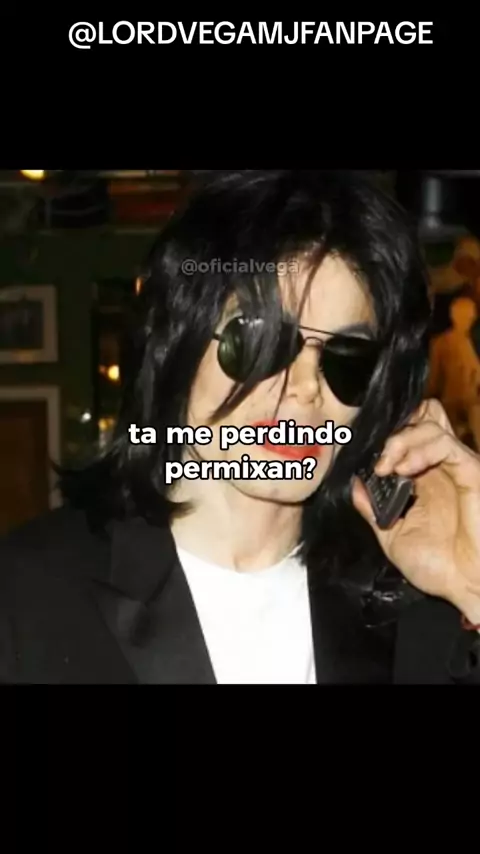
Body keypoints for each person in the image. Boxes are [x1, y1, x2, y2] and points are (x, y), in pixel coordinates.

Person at [1, 169, 480, 685]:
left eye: (347, 359)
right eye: (260, 341)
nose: (306, 387)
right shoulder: (29, 597)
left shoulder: (417, 604)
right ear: (176, 346)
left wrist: (473, 584)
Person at [428, 296, 480, 450]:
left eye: (470, 317)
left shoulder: (472, 342)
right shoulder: (440, 343)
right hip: (450, 398)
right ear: (453, 316)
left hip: (471, 398)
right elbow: (434, 374)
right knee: (451, 437)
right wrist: (430, 393)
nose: (466, 320)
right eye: (463, 315)